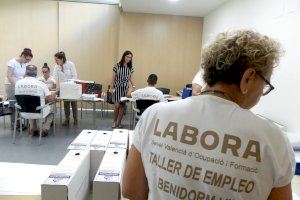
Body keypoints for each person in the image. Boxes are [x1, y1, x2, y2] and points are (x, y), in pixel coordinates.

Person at [122, 30, 295, 200]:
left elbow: (131, 190)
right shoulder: (273, 140)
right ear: (248, 78)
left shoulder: (155, 114)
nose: (261, 94)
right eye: (265, 85)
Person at [15, 65, 56, 136]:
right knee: (52, 109)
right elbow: (50, 99)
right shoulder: (41, 84)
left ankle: (32, 128)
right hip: (39, 112)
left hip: (23, 112)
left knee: (29, 105)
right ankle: (44, 128)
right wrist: (54, 95)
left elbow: (17, 97)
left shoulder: (17, 83)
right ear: (36, 73)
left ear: (25, 72)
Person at [4, 48, 33, 129]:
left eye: (29, 60)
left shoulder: (25, 64)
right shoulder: (12, 62)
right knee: (13, 104)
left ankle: (20, 123)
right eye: (27, 60)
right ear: (23, 56)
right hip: (10, 85)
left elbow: (24, 76)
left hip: (19, 86)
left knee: (20, 104)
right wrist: (16, 86)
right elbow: (9, 76)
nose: (28, 62)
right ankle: (15, 125)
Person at [109, 50, 135, 128]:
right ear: (124, 56)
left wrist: (134, 86)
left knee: (122, 107)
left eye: (130, 57)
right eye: (127, 57)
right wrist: (111, 87)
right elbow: (113, 78)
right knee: (117, 106)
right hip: (117, 88)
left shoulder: (131, 68)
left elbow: (131, 78)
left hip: (125, 89)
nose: (129, 58)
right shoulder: (117, 66)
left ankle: (119, 122)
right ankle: (114, 122)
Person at [53, 51, 78, 126]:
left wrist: (69, 84)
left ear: (62, 59)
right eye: (55, 60)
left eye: (57, 60)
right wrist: (56, 90)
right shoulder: (56, 67)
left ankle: (75, 119)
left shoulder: (70, 64)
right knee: (66, 104)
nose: (55, 61)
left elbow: (74, 76)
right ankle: (67, 119)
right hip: (63, 88)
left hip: (71, 86)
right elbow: (56, 79)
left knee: (74, 103)